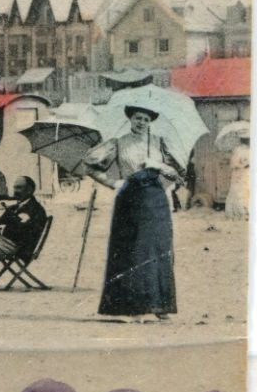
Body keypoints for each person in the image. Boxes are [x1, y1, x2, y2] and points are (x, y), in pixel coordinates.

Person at [75, 105, 180, 321]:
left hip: (156, 199)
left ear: (151, 122)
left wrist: (158, 165)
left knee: (159, 249)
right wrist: (114, 182)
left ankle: (160, 306)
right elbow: (90, 167)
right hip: (129, 199)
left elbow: (177, 173)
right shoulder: (118, 143)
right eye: (137, 118)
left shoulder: (159, 142)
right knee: (133, 250)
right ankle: (134, 308)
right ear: (130, 119)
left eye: (146, 119)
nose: (141, 123)